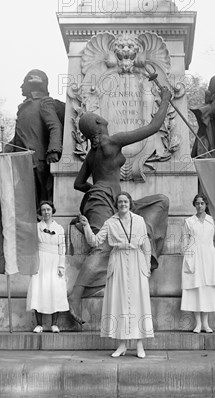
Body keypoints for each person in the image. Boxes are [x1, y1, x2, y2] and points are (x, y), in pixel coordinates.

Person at [69, 87, 173, 326]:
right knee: (102, 246)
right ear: (97, 123)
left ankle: (143, 255)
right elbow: (153, 128)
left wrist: (98, 190)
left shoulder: (93, 152)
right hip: (103, 200)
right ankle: (75, 296)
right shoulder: (112, 141)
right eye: (98, 115)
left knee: (160, 202)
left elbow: (78, 184)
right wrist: (165, 99)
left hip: (114, 199)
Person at [79, 192, 153, 358]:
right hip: (118, 262)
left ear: (130, 203)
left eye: (125, 201)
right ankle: (122, 345)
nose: (123, 204)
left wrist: (147, 264)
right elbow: (95, 241)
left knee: (138, 303)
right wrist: (86, 226)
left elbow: (146, 242)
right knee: (119, 303)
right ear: (116, 204)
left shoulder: (139, 220)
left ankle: (140, 344)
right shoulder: (110, 222)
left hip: (136, 260)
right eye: (120, 202)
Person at [3, 69, 65, 206]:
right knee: (26, 202)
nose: (21, 86)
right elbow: (20, 137)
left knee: (43, 201)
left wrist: (54, 150)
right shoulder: (24, 108)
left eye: (24, 82)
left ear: (34, 84)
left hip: (40, 161)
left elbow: (55, 126)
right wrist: (4, 151)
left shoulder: (44, 103)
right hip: (23, 161)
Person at [181, 194, 215, 333]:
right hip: (194, 256)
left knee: (207, 289)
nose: (200, 206)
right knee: (196, 289)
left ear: (206, 205)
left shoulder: (212, 221)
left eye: (202, 203)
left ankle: (206, 323)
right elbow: (184, 243)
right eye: (197, 203)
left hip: (209, 256)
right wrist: (188, 257)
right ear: (194, 205)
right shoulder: (189, 222)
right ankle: (197, 324)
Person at [26, 201, 69, 333]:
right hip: (40, 260)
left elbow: (62, 247)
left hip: (54, 261)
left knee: (54, 290)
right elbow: (31, 247)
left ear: (52, 211)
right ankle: (39, 324)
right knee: (38, 289)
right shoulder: (36, 228)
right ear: (41, 212)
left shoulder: (59, 228)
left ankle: (54, 324)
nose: (46, 212)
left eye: (48, 210)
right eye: (43, 210)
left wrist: (61, 265)